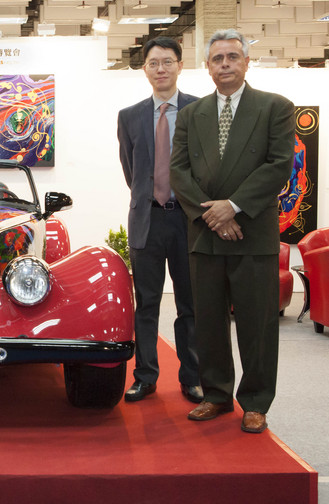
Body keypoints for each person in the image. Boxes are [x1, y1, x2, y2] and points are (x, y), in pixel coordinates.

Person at [170, 29, 294, 433]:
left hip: (252, 233)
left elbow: (277, 166)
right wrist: (213, 216)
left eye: (233, 57)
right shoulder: (191, 115)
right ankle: (217, 395)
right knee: (207, 321)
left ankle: (256, 401)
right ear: (207, 66)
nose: (225, 64)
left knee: (258, 323)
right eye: (218, 58)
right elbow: (179, 171)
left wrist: (233, 207)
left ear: (245, 62)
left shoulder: (274, 107)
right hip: (206, 234)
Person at [117, 37, 202, 404]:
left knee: (190, 305)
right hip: (147, 221)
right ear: (145, 69)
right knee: (146, 304)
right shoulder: (130, 116)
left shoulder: (200, 111)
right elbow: (131, 169)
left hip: (188, 222)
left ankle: (193, 378)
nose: (161, 69)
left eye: (167, 62)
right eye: (154, 63)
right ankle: (146, 376)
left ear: (180, 65)